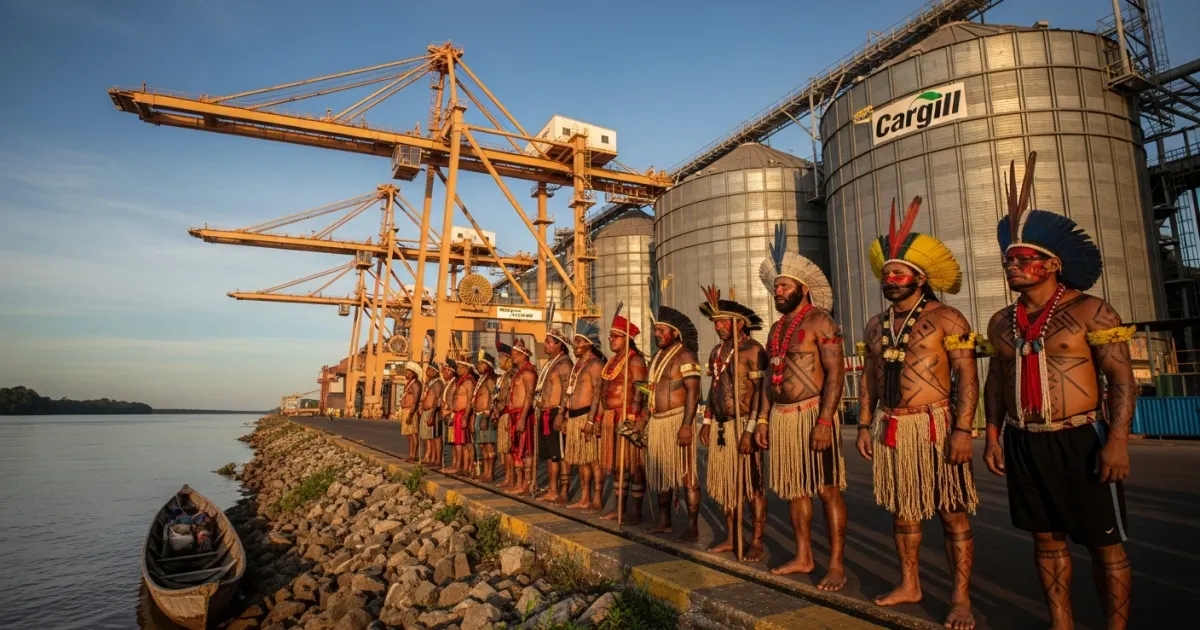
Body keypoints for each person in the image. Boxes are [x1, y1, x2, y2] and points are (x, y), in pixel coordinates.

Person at [983, 152, 1135, 630]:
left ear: (1052, 264)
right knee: (1045, 540)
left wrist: (1117, 441)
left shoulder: (1093, 310)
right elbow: (995, 382)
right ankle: (1061, 623)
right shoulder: (1000, 322)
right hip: (1024, 439)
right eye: (1009, 259)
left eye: (1024, 259)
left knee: (1103, 543)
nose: (1013, 266)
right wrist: (991, 434)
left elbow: (1121, 379)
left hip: (1081, 439)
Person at [857, 196, 980, 629]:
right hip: (891, 424)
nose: (890, 279)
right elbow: (871, 376)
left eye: (899, 273)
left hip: (935, 423)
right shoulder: (875, 325)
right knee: (903, 509)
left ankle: (960, 599)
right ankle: (910, 583)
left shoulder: (948, 318)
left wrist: (964, 429)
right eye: (886, 274)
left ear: (920, 278)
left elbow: (967, 377)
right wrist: (864, 423)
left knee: (951, 510)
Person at [756, 222, 848, 590]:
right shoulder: (776, 329)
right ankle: (804, 555)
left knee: (826, 488)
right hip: (782, 417)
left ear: (802, 290)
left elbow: (836, 372)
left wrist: (825, 420)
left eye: (784, 286)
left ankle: (837, 563)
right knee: (795, 488)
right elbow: (768, 377)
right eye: (776, 286)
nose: (777, 291)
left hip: (813, 414)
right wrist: (761, 420)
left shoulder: (820, 321)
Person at [698, 285, 769, 561]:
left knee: (752, 486)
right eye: (716, 323)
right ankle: (731, 536)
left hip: (744, 428)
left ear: (739, 323)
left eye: (724, 322)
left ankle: (757, 541)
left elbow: (761, 394)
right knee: (727, 484)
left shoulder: (753, 351)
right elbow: (713, 388)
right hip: (720, 426)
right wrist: (706, 421)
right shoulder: (716, 352)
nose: (719, 328)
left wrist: (751, 429)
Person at [642, 303, 703, 542]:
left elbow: (693, 392)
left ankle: (692, 526)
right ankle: (664, 521)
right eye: (656, 330)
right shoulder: (657, 357)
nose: (657, 334)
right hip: (657, 421)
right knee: (662, 473)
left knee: (687, 474)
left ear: (675, 333)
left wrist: (687, 425)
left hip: (678, 419)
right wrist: (644, 421)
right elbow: (651, 391)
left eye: (661, 330)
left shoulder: (685, 355)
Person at [596, 313, 649, 521]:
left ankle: (635, 511)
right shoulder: (612, 361)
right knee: (618, 465)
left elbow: (641, 390)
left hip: (627, 417)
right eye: (610, 336)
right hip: (610, 417)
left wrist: (633, 415)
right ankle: (619, 508)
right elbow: (603, 392)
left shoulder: (635, 359)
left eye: (615, 336)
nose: (611, 339)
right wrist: (599, 419)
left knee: (633, 464)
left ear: (627, 338)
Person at [564, 320, 605, 509]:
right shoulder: (578, 365)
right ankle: (585, 497)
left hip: (586, 416)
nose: (575, 345)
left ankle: (597, 496)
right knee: (581, 460)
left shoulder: (595, 364)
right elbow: (570, 392)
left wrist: (591, 420)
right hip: (573, 418)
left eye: (578, 341)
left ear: (588, 343)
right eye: (574, 341)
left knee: (593, 459)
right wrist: (565, 416)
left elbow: (598, 393)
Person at [535, 325, 574, 502]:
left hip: (556, 412)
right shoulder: (550, 363)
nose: (546, 344)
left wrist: (562, 415)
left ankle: (563, 491)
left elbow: (568, 390)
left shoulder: (565, 363)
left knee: (560, 454)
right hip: (544, 413)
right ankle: (552, 489)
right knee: (550, 455)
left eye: (549, 342)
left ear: (560, 345)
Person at [503, 338, 537, 494]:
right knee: (516, 449)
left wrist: (522, 418)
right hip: (514, 415)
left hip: (523, 414)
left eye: (516, 354)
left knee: (526, 449)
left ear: (524, 355)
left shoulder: (529, 372)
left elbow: (529, 396)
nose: (513, 357)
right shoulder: (518, 372)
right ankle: (518, 482)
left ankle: (527, 484)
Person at [445, 355, 476, 474]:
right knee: (458, 442)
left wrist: (466, 416)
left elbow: (469, 400)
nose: (457, 369)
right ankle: (458, 465)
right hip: (457, 414)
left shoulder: (469, 382)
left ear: (466, 368)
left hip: (463, 413)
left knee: (465, 442)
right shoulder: (461, 381)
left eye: (460, 367)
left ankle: (467, 467)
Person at [493, 337, 517, 488]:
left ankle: (512, 478)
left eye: (502, 358)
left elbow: (508, 396)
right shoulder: (502, 377)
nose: (499, 361)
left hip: (508, 414)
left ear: (509, 359)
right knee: (505, 450)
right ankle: (508, 477)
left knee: (509, 449)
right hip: (501, 414)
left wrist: (498, 409)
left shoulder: (512, 374)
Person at [473, 350, 498, 481]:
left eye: (482, 364)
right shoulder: (481, 380)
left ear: (488, 365)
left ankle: (490, 473)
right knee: (482, 446)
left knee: (489, 445)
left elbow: (494, 398)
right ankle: (485, 472)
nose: (479, 366)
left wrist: (488, 413)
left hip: (486, 416)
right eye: (478, 364)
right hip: (479, 415)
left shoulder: (490, 380)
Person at [420, 362, 445, 467]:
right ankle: (432, 457)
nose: (427, 372)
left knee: (436, 438)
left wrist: (432, 412)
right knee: (431, 437)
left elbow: (437, 399)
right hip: (428, 412)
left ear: (435, 372)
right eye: (427, 370)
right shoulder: (430, 383)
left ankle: (437, 459)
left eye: (429, 370)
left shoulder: (438, 383)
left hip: (434, 412)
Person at [398, 361, 424, 463]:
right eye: (406, 371)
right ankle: (411, 454)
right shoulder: (409, 383)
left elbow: (416, 400)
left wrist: (411, 414)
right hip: (405, 410)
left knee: (413, 434)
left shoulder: (416, 384)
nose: (407, 374)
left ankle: (414, 455)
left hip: (411, 411)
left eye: (409, 372)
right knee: (409, 435)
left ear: (414, 373)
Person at [435, 359, 457, 469]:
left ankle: (456, 464)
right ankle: (451, 463)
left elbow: (455, 400)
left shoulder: (454, 384)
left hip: (452, 415)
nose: (442, 373)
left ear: (450, 371)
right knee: (449, 440)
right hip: (445, 416)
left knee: (455, 442)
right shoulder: (447, 384)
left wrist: (450, 411)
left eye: (444, 370)